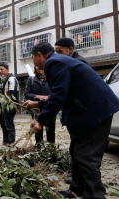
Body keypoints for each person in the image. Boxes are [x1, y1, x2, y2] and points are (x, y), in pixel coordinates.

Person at [23, 42, 119, 199]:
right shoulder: (60, 61)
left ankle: (95, 195)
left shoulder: (54, 63)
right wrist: (37, 103)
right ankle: (77, 190)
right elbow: (62, 94)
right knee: (76, 152)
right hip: (88, 111)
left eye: (33, 59)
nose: (34, 63)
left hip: (95, 111)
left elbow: (59, 95)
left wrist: (40, 121)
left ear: (39, 55)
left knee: (86, 157)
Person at [55, 37, 90, 185]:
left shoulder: (78, 63)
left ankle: (85, 183)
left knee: (82, 151)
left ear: (70, 49)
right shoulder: (67, 62)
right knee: (74, 147)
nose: (57, 55)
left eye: (60, 51)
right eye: (55, 52)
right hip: (75, 113)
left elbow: (64, 92)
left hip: (83, 113)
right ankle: (76, 181)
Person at [24, 65, 55, 144]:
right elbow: (27, 94)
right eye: (37, 66)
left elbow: (56, 93)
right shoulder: (31, 79)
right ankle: (39, 147)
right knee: (38, 130)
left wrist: (48, 97)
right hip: (36, 109)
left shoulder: (51, 78)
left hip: (49, 107)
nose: (39, 68)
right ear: (35, 68)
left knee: (50, 130)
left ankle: (51, 148)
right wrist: (37, 96)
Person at [0, 62, 19, 146]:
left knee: (9, 124)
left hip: (9, 106)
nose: (0, 71)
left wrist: (3, 100)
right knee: (3, 125)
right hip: (0, 106)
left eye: (2, 69)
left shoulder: (11, 79)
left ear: (7, 70)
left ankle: (11, 142)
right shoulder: (0, 80)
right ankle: (5, 141)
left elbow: (11, 93)